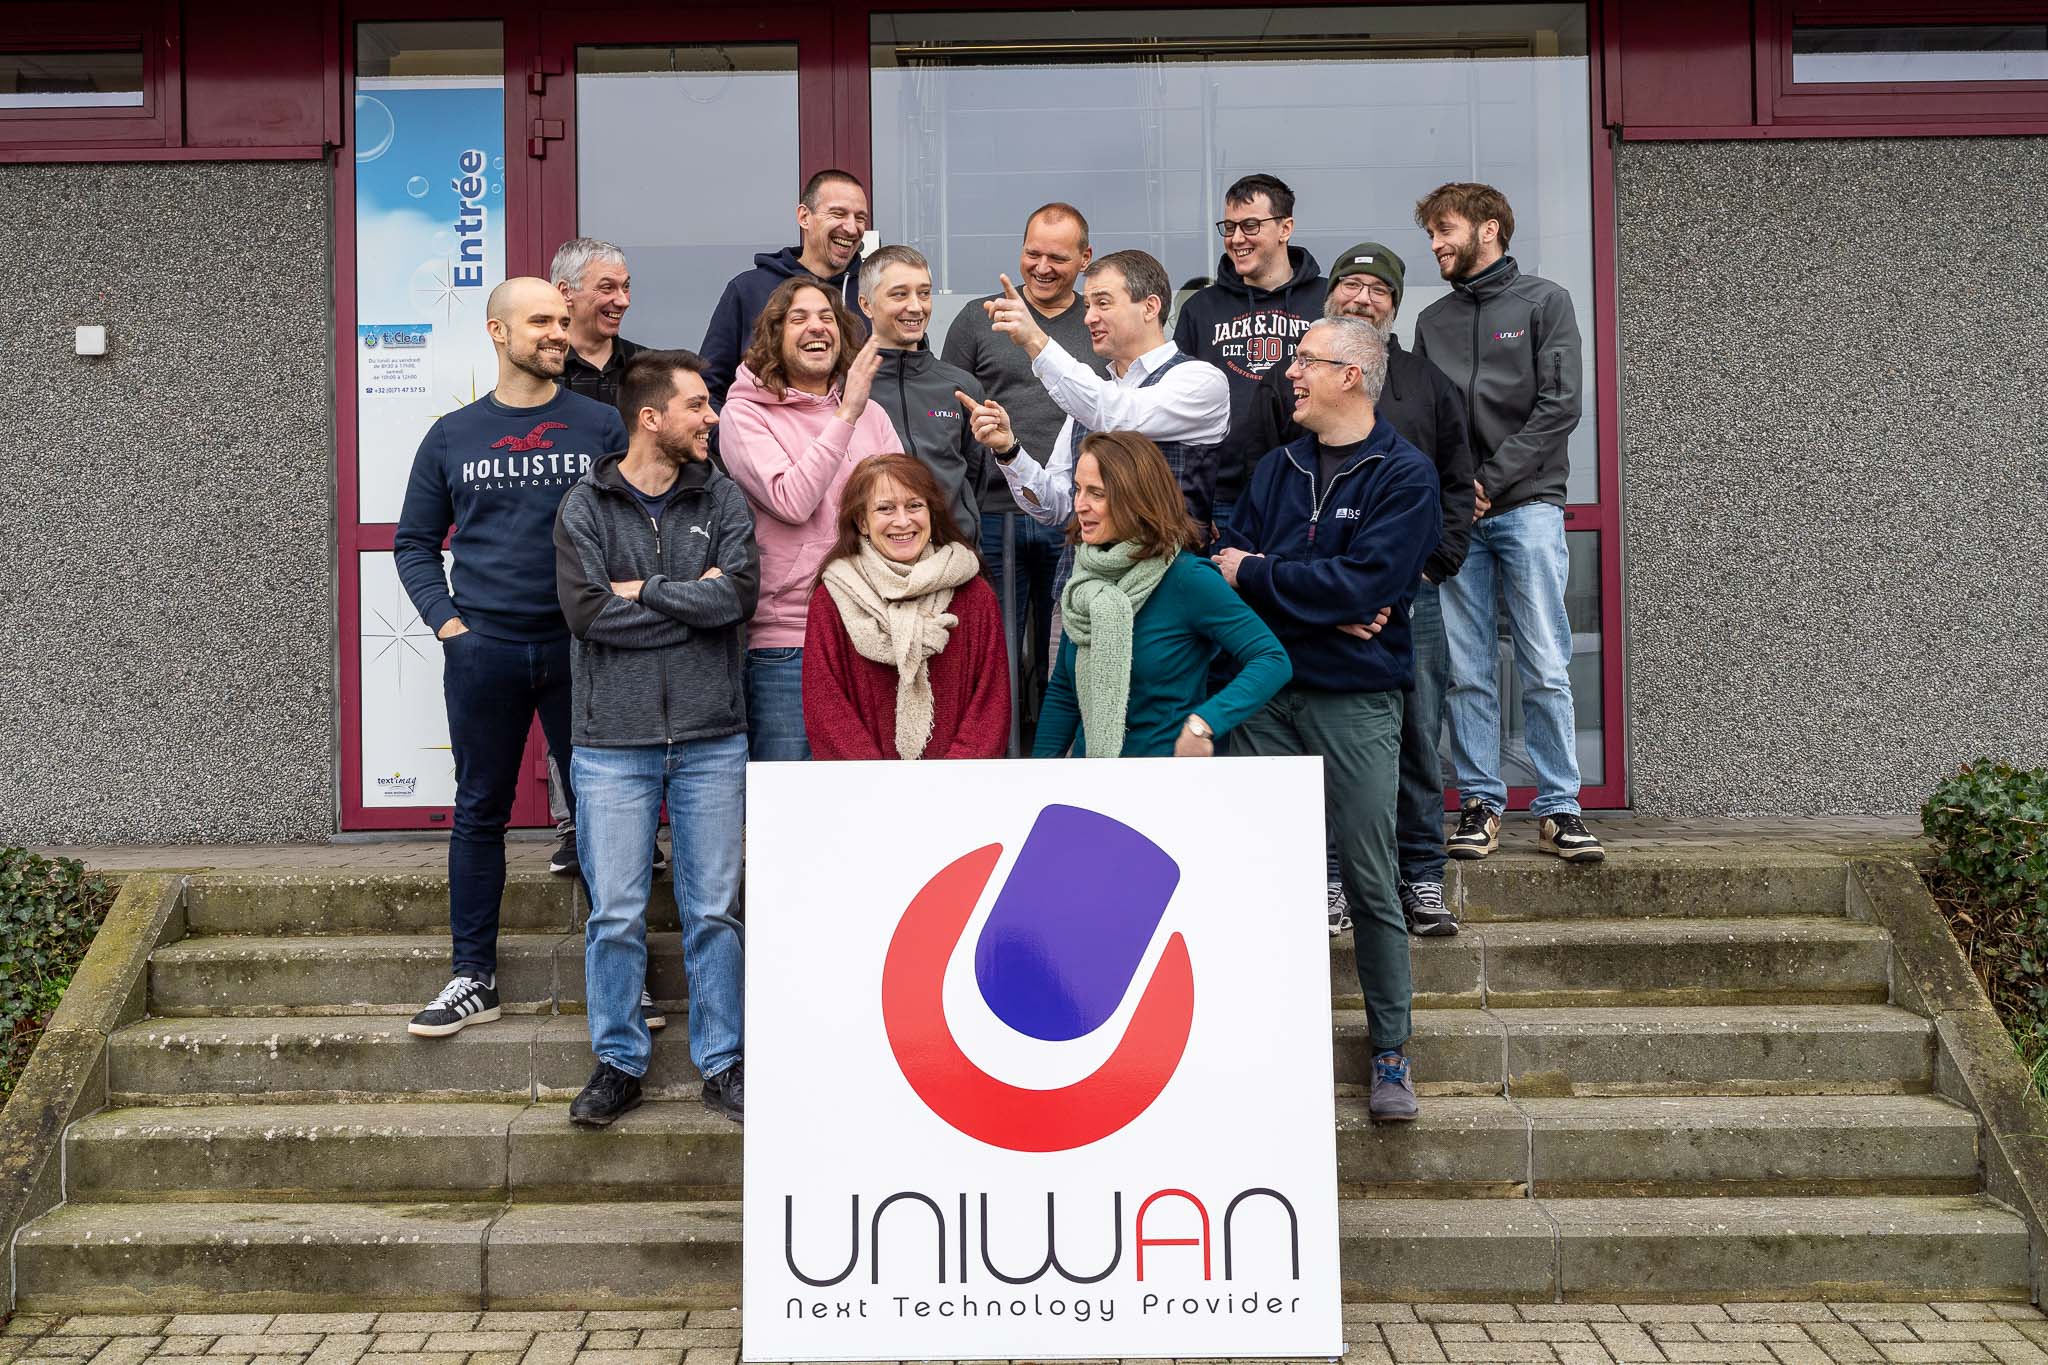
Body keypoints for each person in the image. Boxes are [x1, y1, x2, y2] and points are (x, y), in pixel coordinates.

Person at [1212, 316, 1441, 1121]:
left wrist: (1268, 576)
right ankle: (1261, 1041)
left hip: (1356, 700)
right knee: (1261, 874)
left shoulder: (1405, 475)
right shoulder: (1275, 468)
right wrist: (1318, 596)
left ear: (1351, 374)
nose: (1290, 373)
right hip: (1267, 696)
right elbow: (1225, 571)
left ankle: (1391, 1051)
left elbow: (1366, 586)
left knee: (1372, 878)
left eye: (1305, 360)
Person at [393, 277, 626, 1038]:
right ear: (498, 332)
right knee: (479, 811)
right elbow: (413, 542)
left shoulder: (599, 424)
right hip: (484, 650)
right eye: (541, 322)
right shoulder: (453, 435)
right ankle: (473, 977)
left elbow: (633, 523)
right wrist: (449, 626)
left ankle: (618, 982)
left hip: (581, 647)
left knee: (602, 813)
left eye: (563, 320)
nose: (559, 332)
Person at [1246, 243, 1476, 937]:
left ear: (1394, 306)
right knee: (1322, 744)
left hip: (1405, 591)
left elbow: (1455, 482)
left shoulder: (1427, 382)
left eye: (1380, 289)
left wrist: (1427, 568)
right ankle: (1329, 880)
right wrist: (1322, 599)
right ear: (1331, 296)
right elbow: (1261, 498)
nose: (1363, 297)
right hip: (1314, 594)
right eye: (1351, 284)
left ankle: (1422, 875)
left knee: (1415, 735)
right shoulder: (1289, 386)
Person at [553, 349, 756, 1127]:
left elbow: (737, 597)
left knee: (715, 911)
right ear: (650, 417)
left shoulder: (722, 496)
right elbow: (589, 615)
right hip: (612, 743)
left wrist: (645, 591)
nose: (712, 417)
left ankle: (724, 1063)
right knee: (614, 913)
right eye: (698, 405)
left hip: (711, 737)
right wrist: (688, 601)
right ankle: (618, 1063)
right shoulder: (585, 505)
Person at [1412, 183, 1603, 864]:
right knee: (1467, 669)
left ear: (1488, 228)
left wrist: (1488, 482)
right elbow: (1430, 419)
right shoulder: (1432, 321)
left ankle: (1559, 808)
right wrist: (1453, 491)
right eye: (1432, 234)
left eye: (1445, 230)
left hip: (1527, 508)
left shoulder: (1545, 302)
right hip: (1461, 519)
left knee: (1545, 662)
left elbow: (1560, 406)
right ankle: (1481, 803)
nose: (1436, 244)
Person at [962, 250, 1229, 601]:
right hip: (1080, 594)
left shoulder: (1200, 380)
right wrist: (1009, 450)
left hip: (1165, 598)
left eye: (1103, 303)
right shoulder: (1090, 396)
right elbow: (1057, 506)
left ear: (1150, 307)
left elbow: (1119, 416)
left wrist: (1036, 341)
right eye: (1087, 306)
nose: (1089, 318)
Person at [718, 277, 900, 761]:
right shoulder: (744, 415)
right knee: (788, 793)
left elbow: (901, 510)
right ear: (774, 336)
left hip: (875, 628)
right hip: (790, 641)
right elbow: (791, 500)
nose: (816, 327)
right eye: (798, 318)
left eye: (826, 317)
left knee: (867, 791)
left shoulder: (873, 414)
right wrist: (846, 416)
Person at [1034, 431, 1289, 759]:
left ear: (1136, 498)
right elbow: (1064, 694)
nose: (1079, 505)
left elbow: (1271, 659)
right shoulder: (1087, 577)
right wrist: (1039, 774)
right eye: (1078, 489)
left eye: (1097, 493)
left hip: (1165, 777)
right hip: (1094, 776)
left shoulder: (1188, 579)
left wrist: (1205, 723)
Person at [941, 204, 1105, 714]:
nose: (1042, 267)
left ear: (1085, 258)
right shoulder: (979, 317)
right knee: (995, 655)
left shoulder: (1098, 321)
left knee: (1072, 650)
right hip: (994, 514)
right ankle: (998, 750)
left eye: (1058, 257)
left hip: (1078, 518)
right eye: (1033, 253)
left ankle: (1058, 749)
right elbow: (947, 413)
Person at [543, 236, 663, 883]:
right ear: (565, 294)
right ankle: (574, 826)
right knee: (566, 699)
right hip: (557, 561)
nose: (622, 300)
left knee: (628, 693)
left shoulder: (645, 369)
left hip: (634, 559)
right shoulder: (541, 370)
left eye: (626, 287)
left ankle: (636, 830)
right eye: (607, 288)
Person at [802, 454, 1010, 761]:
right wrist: (879, 783)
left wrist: (953, 778)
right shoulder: (832, 599)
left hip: (959, 785)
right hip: (864, 787)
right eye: (885, 509)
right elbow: (826, 709)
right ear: (862, 522)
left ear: (931, 513)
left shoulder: (974, 595)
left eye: (914, 506)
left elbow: (991, 704)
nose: (902, 521)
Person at [1173, 173, 1324, 536]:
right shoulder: (1201, 309)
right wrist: (1189, 499)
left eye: (1250, 226)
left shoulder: (1326, 301)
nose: (1237, 238)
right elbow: (1176, 406)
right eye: (1229, 227)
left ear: (1285, 228)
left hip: (1311, 489)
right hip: (1219, 500)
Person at [700, 169, 871, 408]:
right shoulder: (749, 290)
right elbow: (709, 389)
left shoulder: (873, 293)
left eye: (860, 218)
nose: (852, 228)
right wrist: (731, 430)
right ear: (804, 217)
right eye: (838, 214)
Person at [858, 245, 986, 539]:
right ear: (866, 305)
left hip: (954, 553)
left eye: (924, 293)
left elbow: (974, 478)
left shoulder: (961, 387)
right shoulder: (846, 386)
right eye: (900, 294)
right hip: (875, 555)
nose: (916, 307)